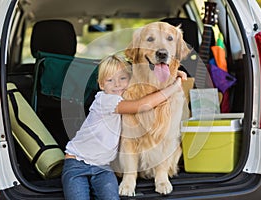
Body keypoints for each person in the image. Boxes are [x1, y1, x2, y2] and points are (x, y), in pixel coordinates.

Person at [61, 54, 187, 200]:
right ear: (101, 85)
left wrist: (170, 73)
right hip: (77, 163)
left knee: (112, 197)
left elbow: (144, 74)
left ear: (130, 80)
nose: (117, 84)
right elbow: (141, 105)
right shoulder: (105, 100)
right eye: (110, 80)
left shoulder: (124, 96)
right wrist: (174, 87)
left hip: (102, 167)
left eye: (122, 78)